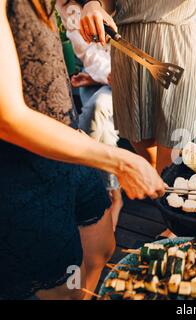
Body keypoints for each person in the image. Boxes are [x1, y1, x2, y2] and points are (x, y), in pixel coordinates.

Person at [0, 0, 165, 300]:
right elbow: (7, 118)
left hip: (67, 138)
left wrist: (90, 4)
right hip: (23, 166)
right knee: (62, 290)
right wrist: (120, 161)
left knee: (102, 247)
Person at [78, 0, 196, 174]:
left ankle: (161, 191)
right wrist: (93, 5)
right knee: (143, 145)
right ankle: (155, 190)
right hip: (128, 50)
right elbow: (110, 5)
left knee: (172, 162)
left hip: (176, 48)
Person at [56, 0, 123, 230]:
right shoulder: (69, 8)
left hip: (121, 74)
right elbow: (90, 56)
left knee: (97, 111)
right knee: (96, 112)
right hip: (102, 75)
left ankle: (105, 194)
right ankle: (113, 194)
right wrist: (104, 77)